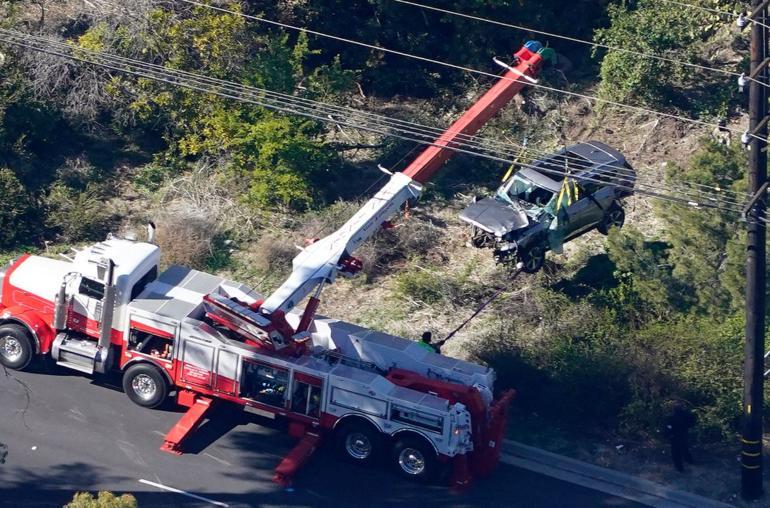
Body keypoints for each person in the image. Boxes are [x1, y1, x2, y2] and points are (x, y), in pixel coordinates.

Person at [664, 405, 697, 472]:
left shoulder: (671, 417)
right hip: (684, 434)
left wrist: (667, 435)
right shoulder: (686, 415)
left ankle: (679, 468)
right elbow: (692, 421)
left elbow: (668, 427)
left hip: (675, 436)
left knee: (676, 453)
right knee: (685, 448)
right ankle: (689, 461)